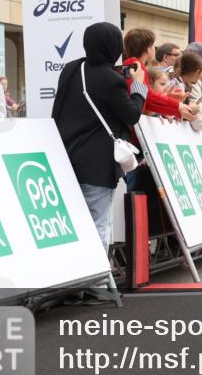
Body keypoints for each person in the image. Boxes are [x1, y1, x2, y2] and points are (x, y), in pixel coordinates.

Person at [53, 23, 147, 252]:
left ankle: (77, 278)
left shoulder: (71, 69)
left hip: (66, 159)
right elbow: (132, 114)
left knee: (74, 225)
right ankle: (99, 282)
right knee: (98, 225)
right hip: (97, 165)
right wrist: (138, 86)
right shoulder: (110, 78)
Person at [123, 29, 195, 121]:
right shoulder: (137, 65)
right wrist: (177, 106)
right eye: (153, 45)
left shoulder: (133, 64)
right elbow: (148, 97)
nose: (154, 49)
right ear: (148, 49)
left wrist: (175, 108)